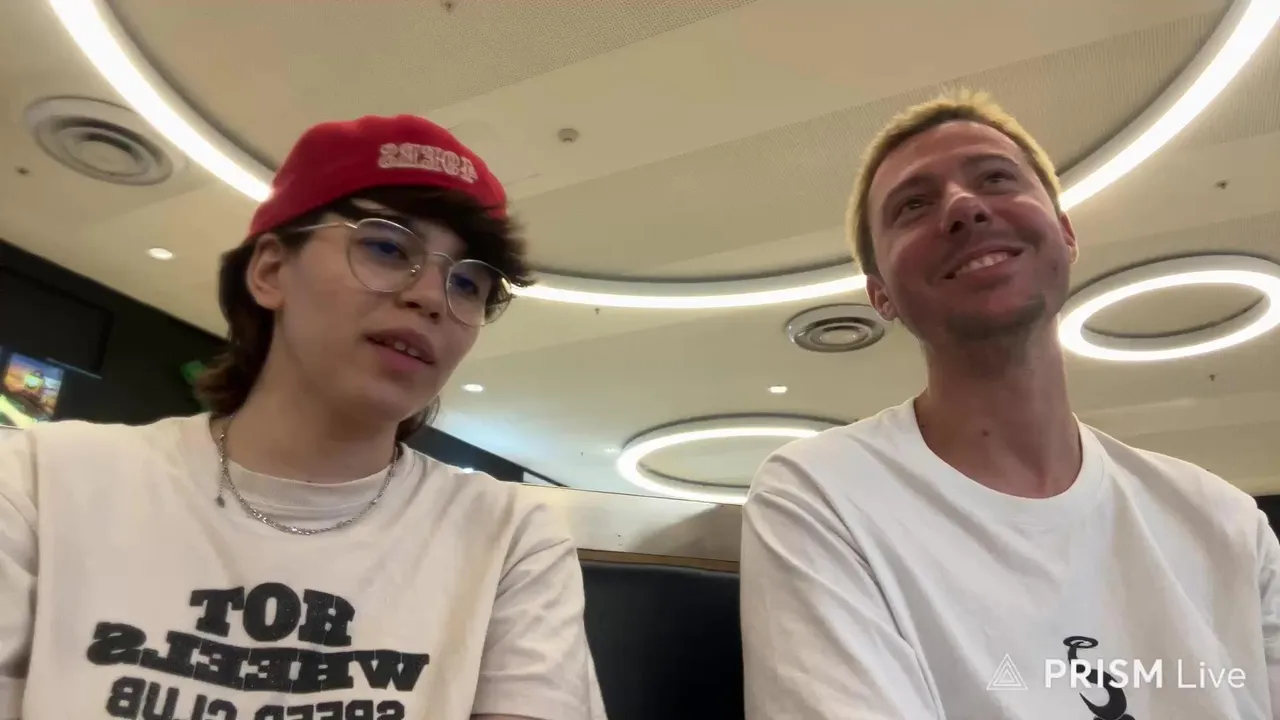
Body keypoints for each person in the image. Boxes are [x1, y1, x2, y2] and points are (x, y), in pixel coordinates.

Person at [0, 115, 607, 720]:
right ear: (270, 271)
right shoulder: (37, 482)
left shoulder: (509, 540)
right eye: (387, 247)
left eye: (470, 283)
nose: (431, 298)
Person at [740, 90, 1280, 719]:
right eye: (913, 205)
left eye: (996, 178)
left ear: (1066, 234)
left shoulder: (1228, 526)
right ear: (880, 294)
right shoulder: (821, 497)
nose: (963, 206)